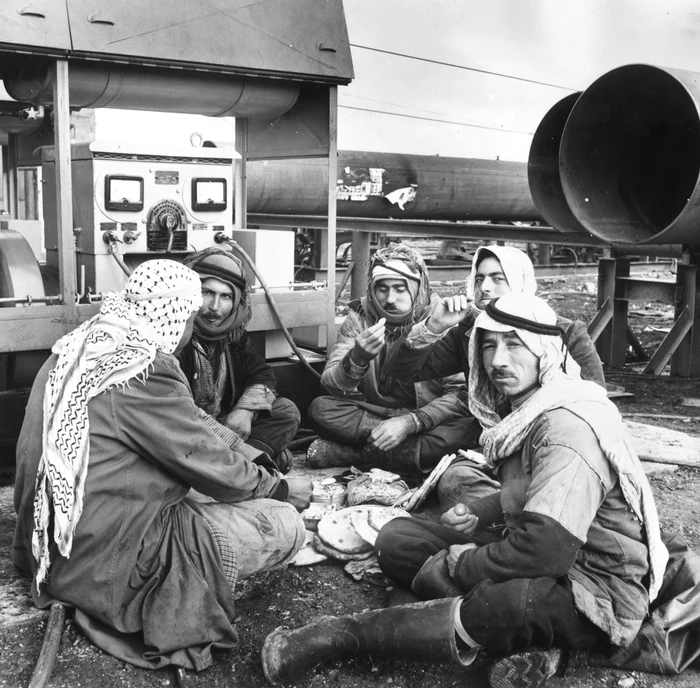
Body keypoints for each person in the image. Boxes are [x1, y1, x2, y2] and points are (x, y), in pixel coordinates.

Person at [259, 293, 671, 688]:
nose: (497, 360)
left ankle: (343, 636)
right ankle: (515, 641)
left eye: (515, 345)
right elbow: (535, 490)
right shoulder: (528, 407)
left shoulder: (567, 426)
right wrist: (486, 510)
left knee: (510, 605)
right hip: (541, 550)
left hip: (591, 586)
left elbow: (546, 550)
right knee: (396, 539)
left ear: (545, 352)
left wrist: (466, 563)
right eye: (488, 346)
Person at [13, 259, 310, 671]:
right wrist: (277, 488)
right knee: (283, 524)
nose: (197, 323)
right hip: (99, 561)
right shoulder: (146, 368)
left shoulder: (81, 344)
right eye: (192, 314)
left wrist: (251, 458)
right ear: (176, 315)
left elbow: (194, 425)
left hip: (45, 543)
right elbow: (205, 459)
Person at [387, 244, 605, 510]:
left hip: (552, 446)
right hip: (497, 447)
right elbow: (401, 372)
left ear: (521, 282)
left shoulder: (564, 332)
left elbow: (596, 403)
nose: (485, 287)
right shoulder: (471, 332)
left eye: (497, 279)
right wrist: (435, 326)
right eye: (479, 279)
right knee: (454, 480)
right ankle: (514, 511)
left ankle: (519, 515)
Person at [306, 242, 471, 475]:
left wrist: (410, 423)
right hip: (375, 414)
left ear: (418, 287)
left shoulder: (441, 317)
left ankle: (360, 455)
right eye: (382, 288)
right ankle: (409, 455)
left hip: (426, 417)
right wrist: (357, 359)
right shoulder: (360, 316)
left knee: (466, 428)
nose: (390, 299)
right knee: (320, 409)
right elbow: (330, 386)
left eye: (400, 289)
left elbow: (459, 394)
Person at [178, 246, 300, 474]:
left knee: (286, 411)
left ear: (236, 301)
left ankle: (235, 465)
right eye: (207, 293)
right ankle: (248, 465)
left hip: (223, 428)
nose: (215, 307)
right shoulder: (176, 335)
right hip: (186, 430)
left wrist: (246, 410)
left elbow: (261, 373)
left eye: (225, 296)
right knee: (277, 459)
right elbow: (179, 412)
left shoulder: (232, 335)